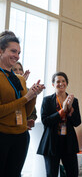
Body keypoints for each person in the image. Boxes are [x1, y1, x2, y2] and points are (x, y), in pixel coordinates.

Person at [0, 30, 45, 177]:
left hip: (21, 136)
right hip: (3, 135)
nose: (17, 56)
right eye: (13, 51)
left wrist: (33, 95)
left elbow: (25, 110)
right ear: (1, 51)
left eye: (19, 52)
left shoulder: (19, 79)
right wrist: (26, 98)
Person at [37, 72, 81, 177]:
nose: (61, 83)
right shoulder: (47, 100)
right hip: (52, 142)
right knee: (51, 174)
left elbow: (77, 122)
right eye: (58, 81)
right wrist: (62, 111)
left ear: (67, 83)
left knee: (73, 173)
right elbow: (45, 121)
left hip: (68, 142)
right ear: (53, 84)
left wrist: (70, 111)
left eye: (63, 81)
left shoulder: (73, 101)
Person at [12, 61, 37, 129]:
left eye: (20, 69)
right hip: (9, 129)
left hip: (24, 130)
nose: (18, 72)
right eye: (15, 70)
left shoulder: (28, 90)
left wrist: (29, 121)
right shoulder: (7, 89)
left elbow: (33, 113)